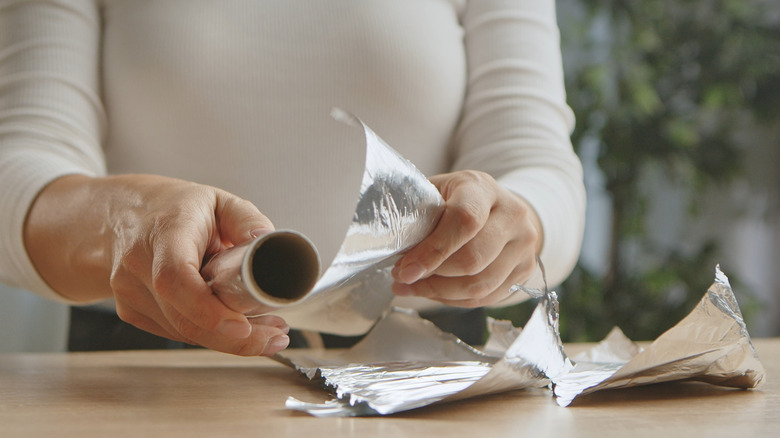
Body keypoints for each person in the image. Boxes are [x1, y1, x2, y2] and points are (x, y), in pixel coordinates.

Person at [0, 0, 585, 356]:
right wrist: (128, 217)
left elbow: (537, 162)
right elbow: (21, 169)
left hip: (419, 379)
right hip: (147, 371)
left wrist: (516, 224)